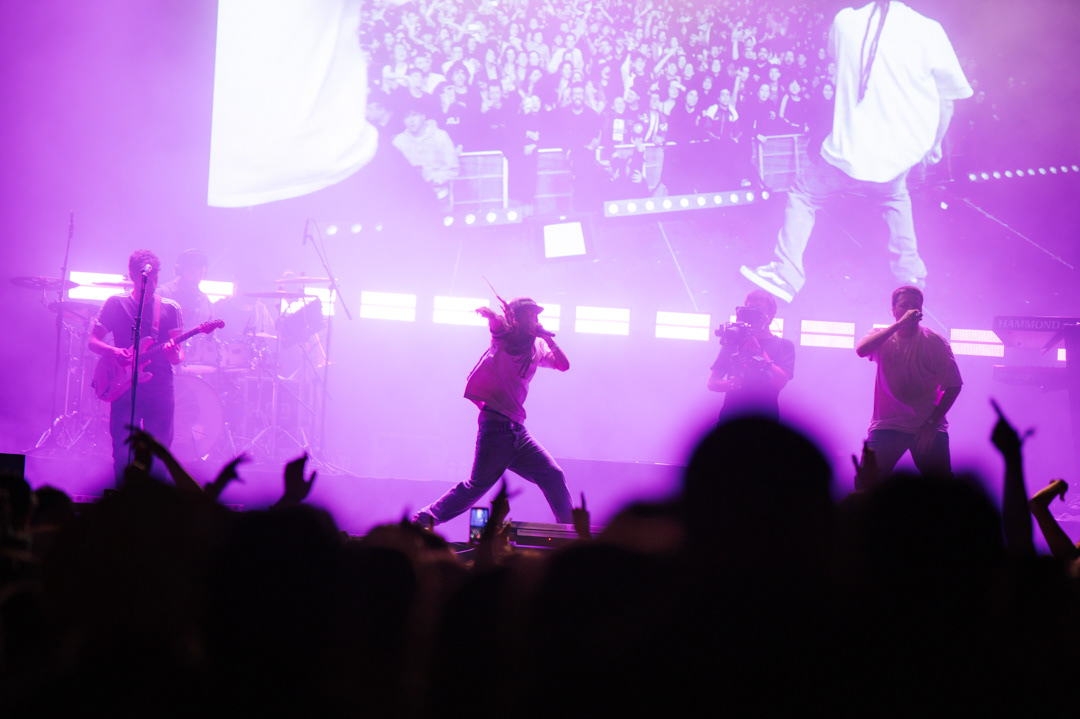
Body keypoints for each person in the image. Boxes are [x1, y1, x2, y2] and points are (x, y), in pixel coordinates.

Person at [740, 0, 972, 302]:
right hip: (894, 157)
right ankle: (910, 277)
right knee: (895, 197)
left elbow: (840, 56)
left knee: (803, 195)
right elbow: (947, 102)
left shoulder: (845, 22)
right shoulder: (929, 31)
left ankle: (786, 274)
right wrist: (934, 144)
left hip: (846, 154)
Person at [413, 298, 573, 528]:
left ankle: (569, 530)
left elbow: (564, 365)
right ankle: (423, 519)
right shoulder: (504, 338)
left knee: (553, 474)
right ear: (516, 318)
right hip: (497, 428)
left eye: (536, 314)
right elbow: (498, 325)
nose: (535, 319)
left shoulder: (537, 346)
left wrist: (547, 338)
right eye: (530, 314)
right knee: (476, 486)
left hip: (518, 432)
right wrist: (491, 317)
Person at [88, 250, 183, 483]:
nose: (152, 284)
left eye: (156, 279)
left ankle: (154, 501)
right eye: (147, 279)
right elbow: (93, 341)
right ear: (132, 275)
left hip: (159, 387)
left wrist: (173, 354)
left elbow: (178, 357)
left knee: (158, 454)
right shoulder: (115, 303)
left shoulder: (171, 308)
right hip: (124, 386)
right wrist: (113, 351)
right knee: (123, 450)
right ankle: (123, 497)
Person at [854, 285, 962, 477]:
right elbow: (861, 350)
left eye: (915, 305)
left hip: (926, 424)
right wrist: (899, 324)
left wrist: (931, 423)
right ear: (893, 310)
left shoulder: (934, 341)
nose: (911, 310)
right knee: (867, 481)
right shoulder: (881, 336)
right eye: (904, 305)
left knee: (941, 486)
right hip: (888, 424)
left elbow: (954, 385)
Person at [707, 289, 795, 421]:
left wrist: (760, 353)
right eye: (749, 309)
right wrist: (730, 384)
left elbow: (780, 383)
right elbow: (712, 382)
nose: (753, 314)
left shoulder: (784, 346)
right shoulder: (733, 342)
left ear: (772, 313)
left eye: (759, 309)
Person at [159, 249, 211, 325]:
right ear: (179, 271)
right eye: (192, 272)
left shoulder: (206, 302)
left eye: (201, 273)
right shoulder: (162, 294)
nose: (197, 278)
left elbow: (211, 332)